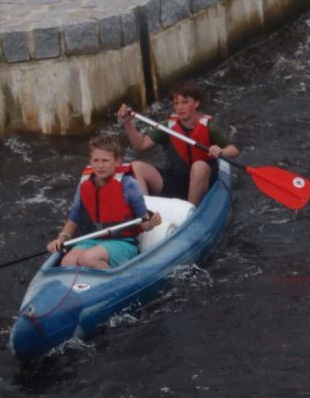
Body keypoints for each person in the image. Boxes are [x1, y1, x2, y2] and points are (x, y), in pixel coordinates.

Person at [47, 133, 161, 270]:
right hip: (93, 239)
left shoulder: (128, 185)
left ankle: (115, 281)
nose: (100, 166)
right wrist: (61, 238)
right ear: (90, 161)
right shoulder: (84, 184)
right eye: (95, 160)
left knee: (87, 259)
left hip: (123, 242)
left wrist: (153, 222)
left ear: (117, 161)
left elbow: (144, 224)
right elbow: (74, 219)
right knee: (68, 261)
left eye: (105, 161)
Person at [117, 81, 240, 206]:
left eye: (184, 102)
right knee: (136, 166)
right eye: (176, 103)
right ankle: (147, 213)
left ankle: (188, 213)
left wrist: (221, 151)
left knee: (199, 167)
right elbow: (141, 144)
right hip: (175, 181)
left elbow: (233, 150)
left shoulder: (209, 127)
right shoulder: (168, 126)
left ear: (196, 103)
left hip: (203, 182)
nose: (180, 107)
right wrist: (127, 123)